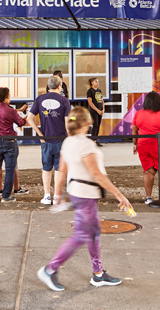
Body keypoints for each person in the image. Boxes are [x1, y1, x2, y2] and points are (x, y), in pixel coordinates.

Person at [37, 108, 133, 292]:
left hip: (77, 192)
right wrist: (119, 195)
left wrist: (57, 194)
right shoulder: (86, 144)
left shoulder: (68, 142)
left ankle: (98, 274)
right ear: (84, 123)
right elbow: (97, 174)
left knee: (93, 233)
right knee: (83, 235)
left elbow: (61, 170)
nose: (91, 123)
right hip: (86, 194)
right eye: (89, 121)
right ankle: (50, 269)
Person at [26, 75, 71, 205]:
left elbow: (29, 118)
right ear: (60, 86)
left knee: (46, 168)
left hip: (45, 140)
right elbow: (67, 122)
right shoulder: (64, 101)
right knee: (58, 169)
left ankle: (46, 196)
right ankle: (57, 197)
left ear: (48, 86)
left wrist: (40, 134)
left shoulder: (39, 99)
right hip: (61, 140)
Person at [0, 87, 28, 202]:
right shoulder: (11, 111)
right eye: (9, 96)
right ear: (5, 99)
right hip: (9, 142)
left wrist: (18, 110)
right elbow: (21, 122)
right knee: (10, 169)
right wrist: (28, 115)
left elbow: (5, 113)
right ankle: (6, 196)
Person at [85, 78, 104, 146]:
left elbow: (102, 101)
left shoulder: (99, 91)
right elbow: (90, 102)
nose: (97, 83)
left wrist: (102, 109)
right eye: (96, 81)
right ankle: (93, 140)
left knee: (98, 125)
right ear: (92, 83)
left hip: (100, 110)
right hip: (94, 110)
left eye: (98, 81)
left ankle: (96, 140)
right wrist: (97, 110)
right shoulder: (90, 91)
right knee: (95, 125)